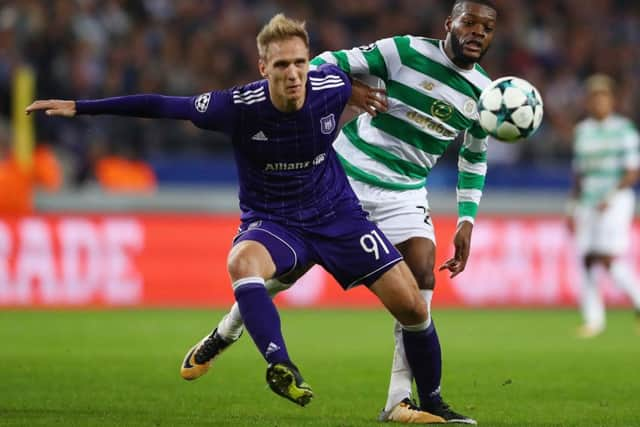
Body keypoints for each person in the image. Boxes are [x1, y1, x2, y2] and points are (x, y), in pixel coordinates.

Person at [26, 13, 453, 421]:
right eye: (282, 64)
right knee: (241, 263)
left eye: (300, 63)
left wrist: (357, 90)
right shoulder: (236, 106)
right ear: (263, 66)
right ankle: (280, 364)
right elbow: (161, 105)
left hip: (337, 215)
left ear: (310, 63)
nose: (293, 74)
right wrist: (81, 107)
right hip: (276, 221)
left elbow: (355, 79)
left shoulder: (332, 86)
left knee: (414, 307)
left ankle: (432, 402)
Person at [185, 1, 497, 424]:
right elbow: (327, 62)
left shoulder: (486, 94)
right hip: (342, 176)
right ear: (450, 24)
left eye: (487, 27)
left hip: (405, 193)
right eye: (470, 22)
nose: (478, 32)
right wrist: (348, 89)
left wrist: (467, 219)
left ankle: (402, 402)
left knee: (422, 278)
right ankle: (227, 331)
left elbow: (474, 158)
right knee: (283, 276)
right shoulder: (403, 53)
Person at [566, 73, 640, 338]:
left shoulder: (624, 129)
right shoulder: (582, 131)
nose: (598, 101)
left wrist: (611, 194)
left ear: (612, 100)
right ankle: (593, 320)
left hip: (616, 200)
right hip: (588, 201)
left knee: (607, 258)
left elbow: (632, 170)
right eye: (594, 96)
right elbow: (578, 175)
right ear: (588, 101)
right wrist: (571, 207)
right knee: (585, 259)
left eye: (603, 96)